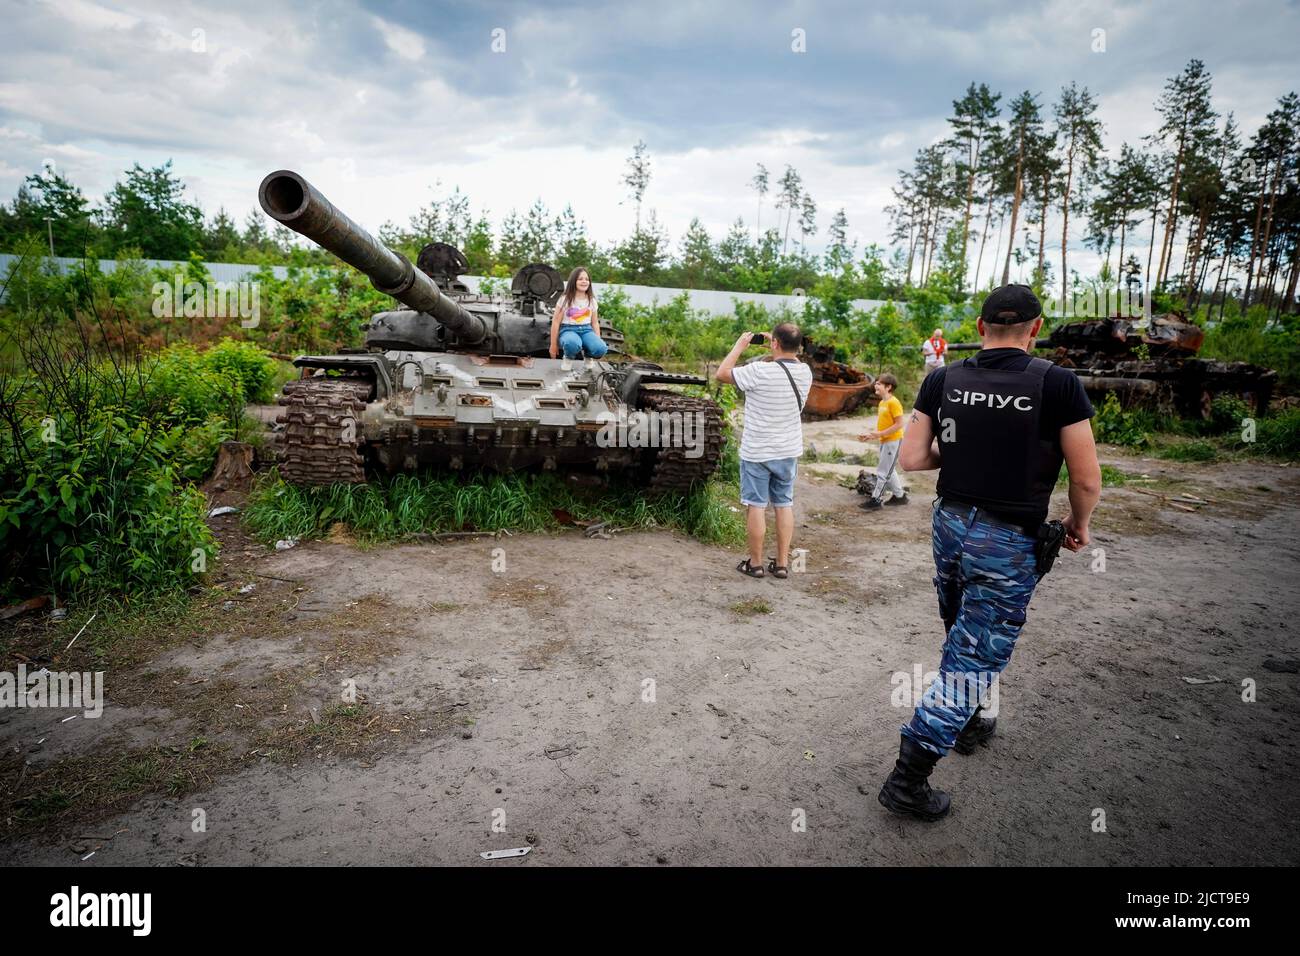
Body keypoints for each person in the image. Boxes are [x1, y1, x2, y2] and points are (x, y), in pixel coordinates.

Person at [876, 284, 1101, 821]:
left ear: (979, 329)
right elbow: (1086, 478)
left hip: (950, 526)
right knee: (974, 656)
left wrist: (962, 453)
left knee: (962, 631)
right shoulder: (1057, 383)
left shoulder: (943, 378)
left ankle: (970, 721)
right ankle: (908, 780)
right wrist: (1079, 523)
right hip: (1008, 536)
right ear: (1036, 327)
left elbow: (910, 458)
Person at [714, 323, 813, 579]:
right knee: (783, 504)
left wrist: (740, 345)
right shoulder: (805, 372)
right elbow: (791, 361)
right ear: (798, 346)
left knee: (756, 505)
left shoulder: (759, 370)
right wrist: (781, 345)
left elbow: (722, 374)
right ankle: (781, 564)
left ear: (774, 343)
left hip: (758, 452)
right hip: (788, 451)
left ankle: (755, 564)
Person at [857, 372, 908, 510]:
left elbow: (899, 424)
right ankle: (900, 496)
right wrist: (870, 435)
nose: (876, 385)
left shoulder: (894, 403)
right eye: (876, 383)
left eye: (879, 383)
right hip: (885, 441)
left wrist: (880, 434)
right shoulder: (882, 403)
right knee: (889, 470)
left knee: (883, 471)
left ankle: (876, 499)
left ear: (888, 387)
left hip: (893, 441)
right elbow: (884, 425)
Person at [549, 267, 608, 360]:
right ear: (573, 281)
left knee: (601, 348)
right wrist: (553, 345)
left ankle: (588, 357)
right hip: (568, 330)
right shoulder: (565, 299)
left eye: (587, 279)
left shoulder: (591, 300)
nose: (584, 281)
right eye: (580, 279)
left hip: (587, 330)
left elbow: (595, 323)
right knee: (572, 343)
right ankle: (568, 358)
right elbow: (556, 322)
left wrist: (597, 341)